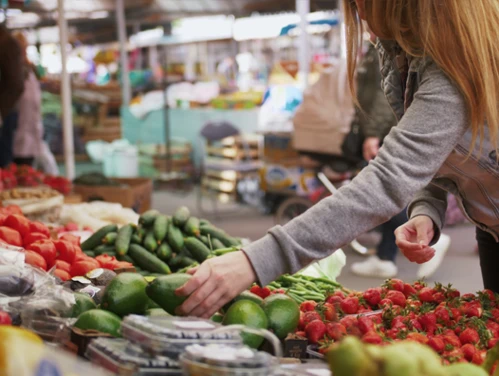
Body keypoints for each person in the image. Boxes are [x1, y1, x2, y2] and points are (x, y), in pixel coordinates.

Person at [176, 0, 499, 318]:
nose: (357, 12)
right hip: (490, 227)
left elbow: (387, 180)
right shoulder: (407, 53)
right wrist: (427, 209)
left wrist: (254, 261)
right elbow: (438, 152)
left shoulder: (456, 68)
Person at [350, 33, 451, 279]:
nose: (362, 15)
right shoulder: (379, 46)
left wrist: (373, 133)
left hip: (386, 132)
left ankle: (423, 236)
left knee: (384, 192)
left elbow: (385, 95)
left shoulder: (394, 45)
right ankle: (387, 255)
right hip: (386, 130)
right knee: (388, 191)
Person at [12, 32, 44, 167]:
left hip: (31, 125)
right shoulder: (13, 69)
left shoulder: (30, 69)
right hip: (16, 125)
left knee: (27, 164)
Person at [0, 25, 25, 168]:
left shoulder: (7, 44)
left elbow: (16, 84)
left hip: (5, 112)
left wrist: (1, 112)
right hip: (6, 111)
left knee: (3, 162)